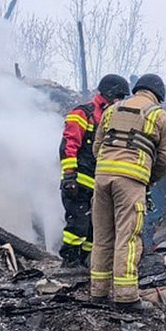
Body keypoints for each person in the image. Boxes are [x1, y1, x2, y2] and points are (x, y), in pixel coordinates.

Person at [90, 73, 166, 308]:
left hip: (102, 178)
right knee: (128, 237)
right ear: (159, 95)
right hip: (131, 181)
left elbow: (97, 146)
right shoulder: (158, 114)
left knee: (102, 236)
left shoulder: (112, 110)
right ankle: (126, 297)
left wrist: (108, 167)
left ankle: (98, 292)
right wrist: (148, 178)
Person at [58, 74, 129, 267]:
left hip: (98, 185)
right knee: (78, 225)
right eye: (119, 96)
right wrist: (69, 176)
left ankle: (83, 264)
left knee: (93, 229)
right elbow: (69, 145)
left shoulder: (111, 118)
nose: (120, 101)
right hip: (79, 183)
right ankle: (69, 262)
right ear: (109, 93)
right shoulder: (83, 113)